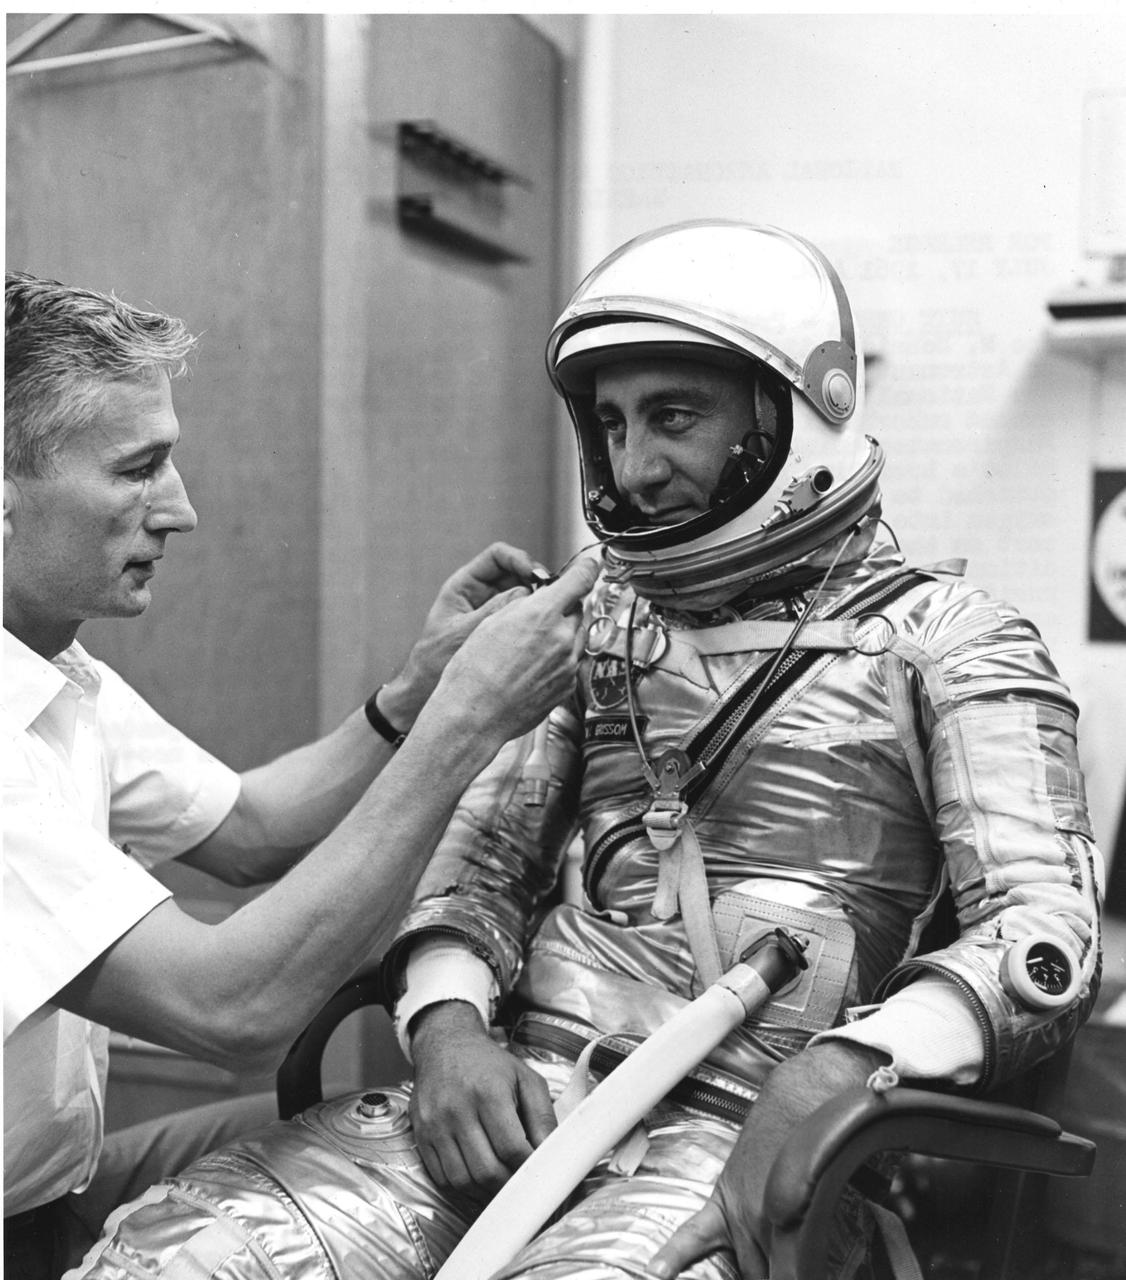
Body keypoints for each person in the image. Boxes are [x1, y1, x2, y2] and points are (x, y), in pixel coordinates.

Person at [66, 222, 1103, 1280]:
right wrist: (447, 1027)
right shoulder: (594, 624)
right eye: (609, 423)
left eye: (674, 418)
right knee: (170, 1254)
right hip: (509, 1105)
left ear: (792, 416)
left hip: (750, 1136)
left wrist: (846, 1064)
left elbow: (1044, 930)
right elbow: (478, 867)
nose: (632, 466)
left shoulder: (949, 641)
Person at [2, 268, 598, 1279]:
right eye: (137, 469)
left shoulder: (53, 666)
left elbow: (254, 828)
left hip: (45, 1186)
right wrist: (461, 727)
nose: (179, 509)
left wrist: (411, 695)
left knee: (378, 1139)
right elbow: (228, 1008)